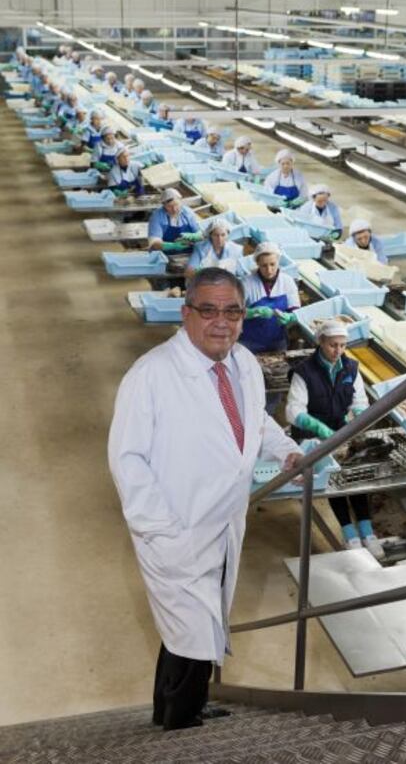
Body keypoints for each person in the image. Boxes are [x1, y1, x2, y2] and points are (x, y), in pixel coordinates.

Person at [108, 267, 303, 731]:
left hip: (224, 524)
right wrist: (162, 530)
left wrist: (287, 450)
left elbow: (256, 421)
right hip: (176, 528)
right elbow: (127, 460)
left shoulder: (244, 364)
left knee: (192, 630)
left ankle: (175, 708)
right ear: (186, 313)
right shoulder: (152, 374)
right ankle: (181, 727)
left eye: (232, 311)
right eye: (209, 310)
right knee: (191, 633)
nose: (222, 321)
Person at [285, 319, 385, 560]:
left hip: (341, 427)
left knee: (355, 474)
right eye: (333, 345)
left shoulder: (351, 367)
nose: (338, 351)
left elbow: (359, 402)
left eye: (342, 345)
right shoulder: (304, 371)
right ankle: (349, 533)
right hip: (312, 433)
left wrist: (360, 419)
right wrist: (320, 429)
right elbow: (293, 411)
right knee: (334, 479)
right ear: (320, 342)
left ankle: (367, 530)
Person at [240, 242, 300, 353]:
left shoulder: (287, 282)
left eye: (272, 264)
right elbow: (232, 311)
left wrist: (290, 317)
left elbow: (297, 311)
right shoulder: (246, 283)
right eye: (264, 265)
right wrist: (251, 312)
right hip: (249, 342)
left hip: (278, 342)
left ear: (278, 261)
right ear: (257, 263)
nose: (269, 270)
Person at [148, 188, 201, 254]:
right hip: (166, 257)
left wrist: (194, 236)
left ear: (181, 201)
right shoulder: (157, 217)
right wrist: (173, 246)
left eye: (176, 204)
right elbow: (154, 244)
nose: (174, 209)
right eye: (169, 206)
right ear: (164, 206)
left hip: (189, 255)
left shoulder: (188, 213)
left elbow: (201, 234)